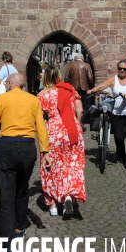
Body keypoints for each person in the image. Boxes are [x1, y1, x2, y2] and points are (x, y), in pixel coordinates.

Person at [0, 73, 51, 252]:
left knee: (6, 196)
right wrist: (45, 151)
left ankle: (7, 244)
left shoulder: (2, 99)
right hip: (27, 148)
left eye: (7, 82)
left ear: (11, 84)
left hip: (6, 146)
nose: (6, 85)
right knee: (22, 189)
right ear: (21, 86)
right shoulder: (33, 100)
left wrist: (3, 122)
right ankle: (19, 226)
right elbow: (41, 127)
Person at [38, 66, 86, 218]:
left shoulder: (42, 95)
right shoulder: (70, 89)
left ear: (45, 78)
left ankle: (53, 205)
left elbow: (39, 118)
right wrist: (76, 124)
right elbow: (80, 110)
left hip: (53, 131)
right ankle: (68, 196)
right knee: (72, 165)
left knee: (51, 166)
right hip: (72, 130)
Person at [87, 60, 126, 171]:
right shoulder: (114, 79)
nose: (122, 70)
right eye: (120, 68)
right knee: (119, 137)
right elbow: (102, 86)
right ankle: (121, 154)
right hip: (117, 113)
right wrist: (91, 90)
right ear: (118, 69)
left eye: (124, 69)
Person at [64, 52, 94, 126]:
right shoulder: (86, 65)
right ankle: (81, 122)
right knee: (85, 106)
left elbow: (66, 78)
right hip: (85, 88)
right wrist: (91, 86)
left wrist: (71, 83)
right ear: (82, 58)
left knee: (74, 105)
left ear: (75, 58)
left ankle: (75, 121)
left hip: (74, 89)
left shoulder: (70, 65)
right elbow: (90, 78)